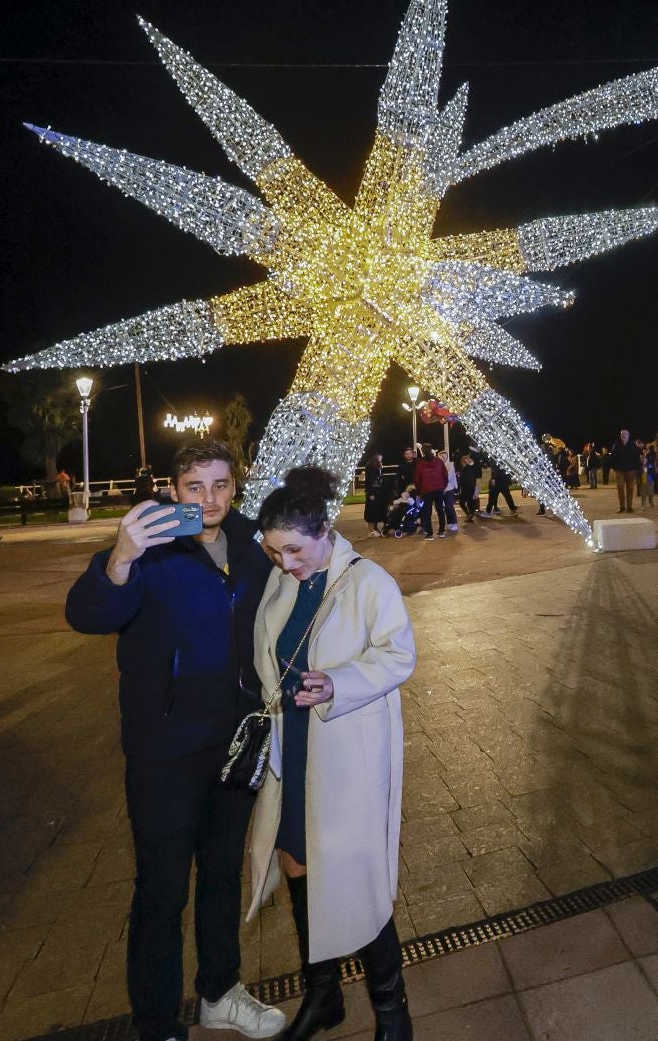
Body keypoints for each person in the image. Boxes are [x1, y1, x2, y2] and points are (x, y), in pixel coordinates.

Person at [64, 440, 285, 1041]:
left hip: (235, 742)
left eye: (220, 484)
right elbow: (87, 614)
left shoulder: (252, 543)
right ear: (173, 488)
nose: (209, 498)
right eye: (195, 486)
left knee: (221, 876)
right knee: (161, 889)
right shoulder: (150, 546)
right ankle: (157, 1024)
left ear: (235, 486)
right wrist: (119, 558)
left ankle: (220, 992)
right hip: (164, 749)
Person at [245, 466, 416, 1040]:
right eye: (274, 553)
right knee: (297, 860)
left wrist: (339, 682)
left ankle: (393, 1011)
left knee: (354, 875)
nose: (286, 563)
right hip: (293, 746)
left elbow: (398, 657)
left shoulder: (370, 582)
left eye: (294, 550)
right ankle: (324, 997)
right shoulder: (284, 579)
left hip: (345, 756)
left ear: (323, 531)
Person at [413, 446, 449, 538]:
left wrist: (419, 491)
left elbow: (417, 479)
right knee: (440, 509)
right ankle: (442, 531)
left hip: (426, 490)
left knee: (427, 512)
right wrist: (443, 486)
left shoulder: (420, 463)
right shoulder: (439, 461)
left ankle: (429, 533)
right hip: (439, 489)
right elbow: (445, 474)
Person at [610, 429, 642, 513]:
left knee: (630, 489)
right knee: (620, 488)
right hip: (619, 470)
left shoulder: (633, 445)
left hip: (631, 471)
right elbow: (613, 457)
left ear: (628, 435)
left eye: (625, 434)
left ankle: (629, 507)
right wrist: (614, 467)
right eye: (622, 435)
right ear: (620, 436)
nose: (623, 436)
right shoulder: (616, 445)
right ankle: (622, 507)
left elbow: (637, 458)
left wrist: (637, 468)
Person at [637, 439, 658, 509]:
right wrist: (643, 459)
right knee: (643, 488)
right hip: (644, 472)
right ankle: (643, 504)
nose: (647, 447)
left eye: (649, 446)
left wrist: (647, 461)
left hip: (650, 473)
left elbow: (653, 463)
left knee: (651, 487)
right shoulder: (642, 453)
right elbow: (641, 462)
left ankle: (651, 501)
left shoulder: (653, 454)